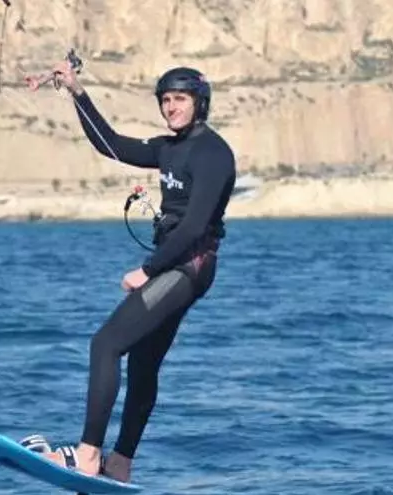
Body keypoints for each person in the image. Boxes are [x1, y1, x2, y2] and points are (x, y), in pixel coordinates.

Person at [26, 60, 237, 483]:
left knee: (105, 344)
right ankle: (119, 465)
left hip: (187, 265)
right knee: (142, 363)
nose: (171, 107)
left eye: (180, 99)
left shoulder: (213, 153)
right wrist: (76, 91)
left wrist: (148, 270)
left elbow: (194, 226)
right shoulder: (168, 148)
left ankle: (87, 456)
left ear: (199, 103)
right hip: (176, 264)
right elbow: (112, 144)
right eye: (165, 100)